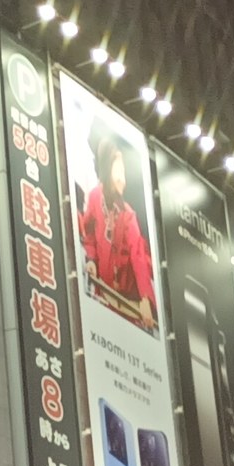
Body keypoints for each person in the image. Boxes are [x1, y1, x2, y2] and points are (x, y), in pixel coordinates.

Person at [76, 133, 156, 327]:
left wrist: (146, 299)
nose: (122, 178)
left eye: (123, 171)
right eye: (117, 170)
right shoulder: (95, 196)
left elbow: (138, 257)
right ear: (106, 169)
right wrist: (92, 260)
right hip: (102, 294)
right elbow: (89, 236)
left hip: (127, 303)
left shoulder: (128, 215)